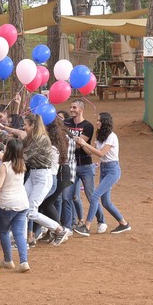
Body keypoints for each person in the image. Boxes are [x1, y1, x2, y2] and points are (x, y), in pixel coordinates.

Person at [73, 112, 131, 236]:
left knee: (94, 196)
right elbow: (90, 152)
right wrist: (81, 144)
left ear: (105, 122)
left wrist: (84, 143)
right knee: (105, 202)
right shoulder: (101, 135)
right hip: (104, 169)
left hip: (112, 170)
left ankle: (87, 227)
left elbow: (101, 153)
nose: (97, 122)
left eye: (99, 120)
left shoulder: (111, 136)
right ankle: (123, 223)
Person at [22, 113, 72, 246]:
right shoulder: (32, 138)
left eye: (25, 125)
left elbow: (24, 156)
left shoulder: (40, 139)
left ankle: (59, 229)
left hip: (42, 177)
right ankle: (24, 239)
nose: (23, 127)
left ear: (33, 126)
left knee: (31, 210)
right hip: (34, 175)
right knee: (22, 206)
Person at [64, 99, 106, 232]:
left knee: (90, 195)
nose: (71, 110)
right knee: (67, 196)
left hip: (86, 166)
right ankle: (68, 226)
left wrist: (68, 139)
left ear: (81, 109)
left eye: (74, 107)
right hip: (70, 165)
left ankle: (101, 221)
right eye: (70, 107)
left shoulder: (88, 126)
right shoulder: (66, 123)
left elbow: (78, 145)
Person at [0, 138, 30, 272]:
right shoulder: (21, 164)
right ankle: (24, 261)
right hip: (22, 203)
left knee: (3, 231)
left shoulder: (4, 166)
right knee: (19, 233)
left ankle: (8, 260)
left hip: (7, 204)